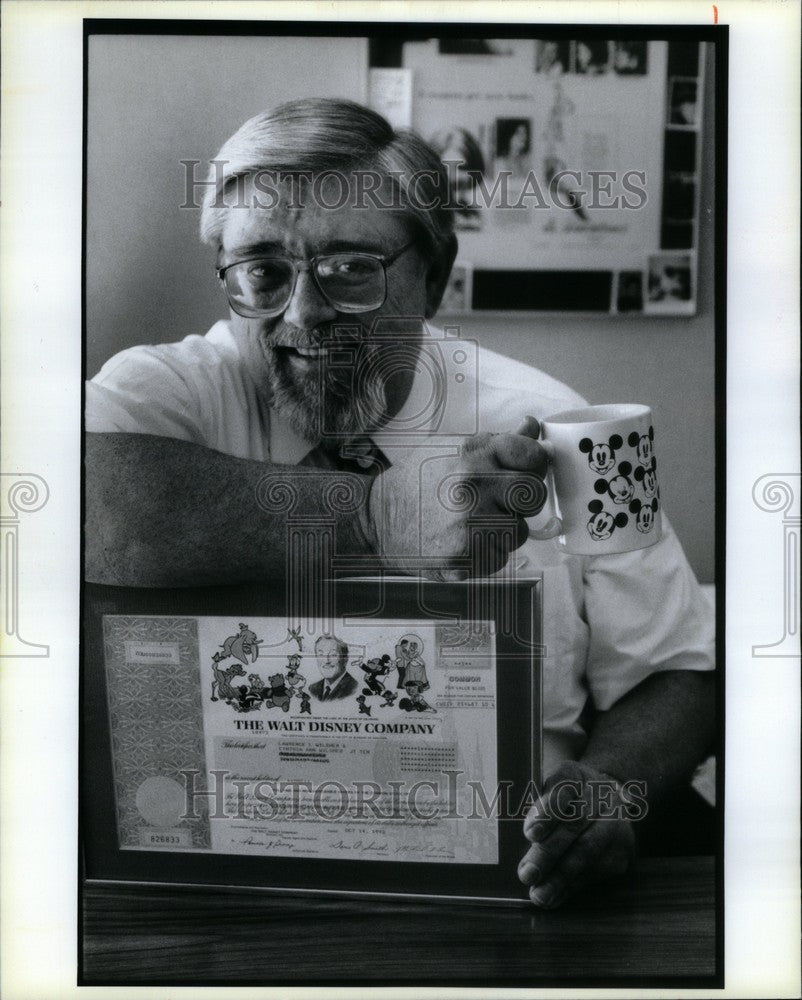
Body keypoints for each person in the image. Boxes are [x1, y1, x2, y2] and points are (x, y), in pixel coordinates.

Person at [85, 98, 715, 908]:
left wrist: (603, 792)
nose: (304, 314)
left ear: (434, 278)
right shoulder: (171, 392)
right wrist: (383, 517)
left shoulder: (566, 423)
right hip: (224, 892)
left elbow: (678, 673)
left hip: (513, 885)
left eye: (352, 268)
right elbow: (68, 499)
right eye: (263, 271)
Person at [308, 634, 358, 701]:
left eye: (333, 655)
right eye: (321, 655)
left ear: (345, 659)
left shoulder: (353, 688)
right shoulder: (312, 689)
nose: (326, 661)